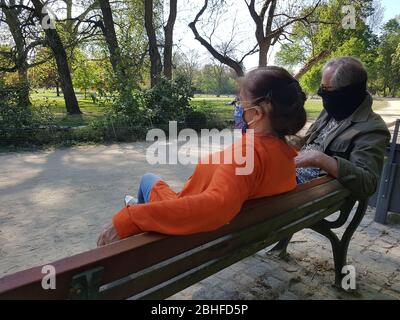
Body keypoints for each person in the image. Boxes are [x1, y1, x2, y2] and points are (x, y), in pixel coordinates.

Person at [97, 66, 307, 246]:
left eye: (240, 105)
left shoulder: (247, 152)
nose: (238, 111)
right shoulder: (285, 155)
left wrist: (131, 218)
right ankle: (138, 207)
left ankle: (137, 226)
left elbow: (216, 206)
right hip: (234, 234)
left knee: (147, 179)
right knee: (148, 185)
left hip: (192, 228)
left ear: (258, 113)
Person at [295, 56, 390, 199]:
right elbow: (307, 142)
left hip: (307, 191)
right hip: (293, 173)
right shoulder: (332, 111)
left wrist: (320, 159)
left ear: (348, 92)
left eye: (326, 89)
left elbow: (368, 183)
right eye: (322, 88)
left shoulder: (372, 128)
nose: (321, 93)